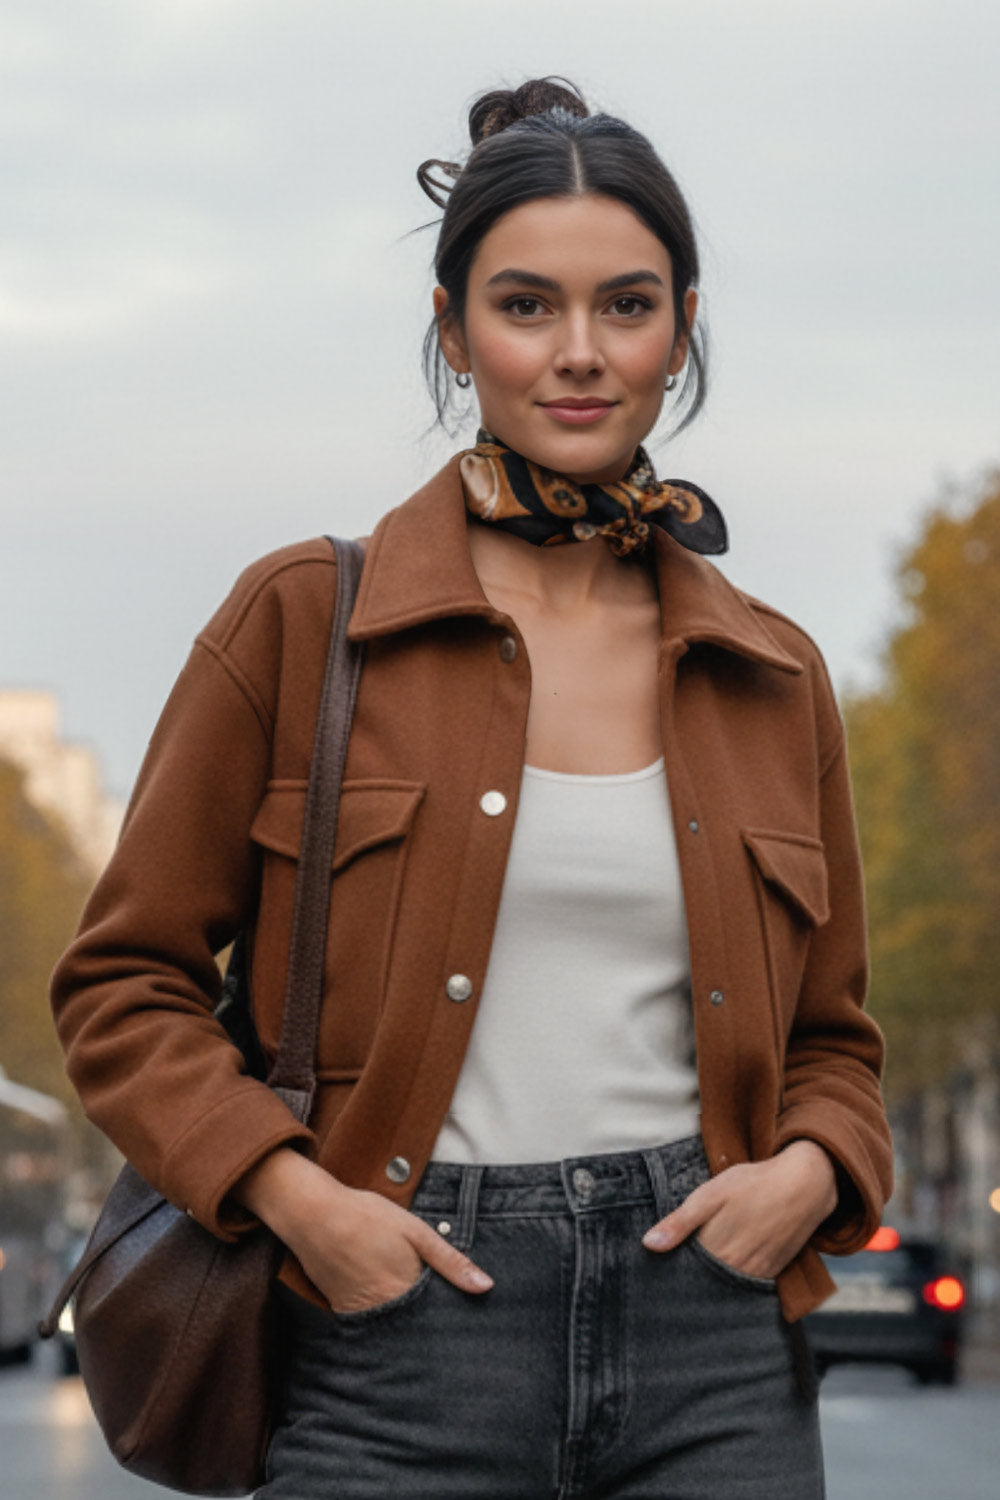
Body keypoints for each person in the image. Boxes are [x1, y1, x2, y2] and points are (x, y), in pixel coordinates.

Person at [51, 76, 893, 1498]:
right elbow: (122, 983)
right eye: (526, 307)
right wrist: (297, 1199)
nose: (580, 353)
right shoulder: (304, 620)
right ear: (453, 331)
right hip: (393, 1328)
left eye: (627, 306)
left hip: (719, 1346)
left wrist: (814, 1171)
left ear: (683, 325)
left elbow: (837, 1038)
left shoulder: (773, 672)